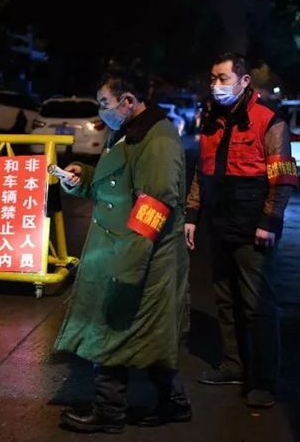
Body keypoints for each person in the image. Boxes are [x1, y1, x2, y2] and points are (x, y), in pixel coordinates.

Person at [53, 72, 191, 433]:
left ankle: (109, 411)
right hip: (126, 249)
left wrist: (127, 266)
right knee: (146, 335)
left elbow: (154, 205)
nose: (102, 111)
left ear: (128, 101)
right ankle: (174, 403)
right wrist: (83, 177)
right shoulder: (130, 132)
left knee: (115, 329)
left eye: (105, 103)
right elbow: (116, 185)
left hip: (141, 255)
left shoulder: (157, 141)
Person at [185, 53, 298, 409]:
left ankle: (263, 381)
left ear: (244, 80)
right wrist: (192, 214)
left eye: (223, 78)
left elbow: (283, 177)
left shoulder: (269, 121)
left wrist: (269, 222)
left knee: (258, 306)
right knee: (225, 300)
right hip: (220, 226)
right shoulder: (212, 120)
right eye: (213, 79)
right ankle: (234, 366)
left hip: (253, 231)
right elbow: (202, 172)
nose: (215, 85)